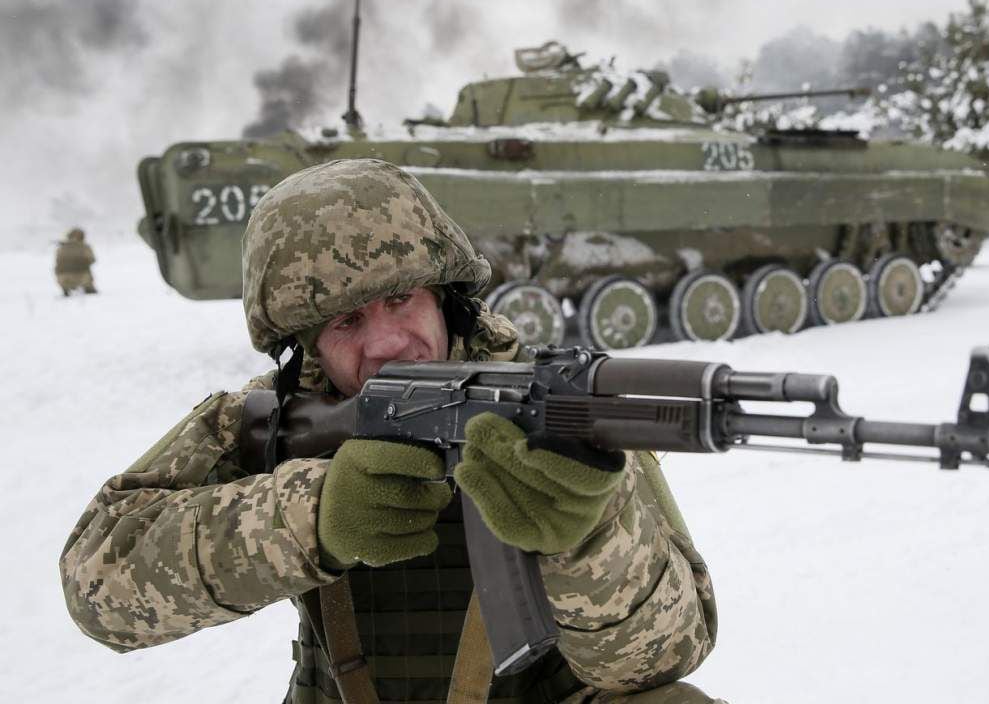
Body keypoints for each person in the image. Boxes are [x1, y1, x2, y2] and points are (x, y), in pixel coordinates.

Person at [60, 159, 721, 704]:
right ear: (306, 343)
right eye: (345, 322)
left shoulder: (550, 410)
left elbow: (667, 655)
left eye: (401, 300)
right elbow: (97, 586)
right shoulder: (275, 416)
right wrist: (311, 517)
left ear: (445, 297)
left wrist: (586, 535)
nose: (386, 345)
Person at [55, 227, 97, 296]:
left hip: (63, 279)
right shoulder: (85, 247)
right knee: (87, 277)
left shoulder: (61, 247)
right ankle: (88, 288)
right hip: (82, 278)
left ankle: (65, 288)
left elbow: (57, 262)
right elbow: (92, 260)